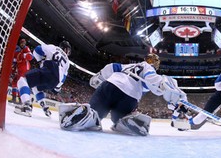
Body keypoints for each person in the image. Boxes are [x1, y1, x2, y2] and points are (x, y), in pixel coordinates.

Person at [58, 53, 187, 136]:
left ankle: (86, 115)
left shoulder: (129, 65)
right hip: (129, 96)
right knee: (118, 119)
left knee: (96, 114)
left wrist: (99, 77)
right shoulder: (148, 68)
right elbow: (152, 79)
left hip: (110, 85)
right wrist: (164, 87)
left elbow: (111, 67)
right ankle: (126, 121)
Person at [14, 41, 71, 117]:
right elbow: (62, 79)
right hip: (55, 81)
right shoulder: (67, 62)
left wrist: (40, 60)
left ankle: (26, 105)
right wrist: (56, 89)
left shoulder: (54, 47)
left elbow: (37, 50)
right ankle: (45, 108)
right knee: (36, 87)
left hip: (48, 70)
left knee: (22, 80)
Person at [9, 38, 33, 104]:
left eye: (24, 43)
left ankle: (20, 100)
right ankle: (14, 98)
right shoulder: (17, 52)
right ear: (20, 43)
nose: (23, 44)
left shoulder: (26, 49)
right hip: (19, 70)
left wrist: (24, 55)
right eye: (21, 43)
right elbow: (14, 62)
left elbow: (31, 57)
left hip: (25, 69)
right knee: (14, 82)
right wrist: (13, 70)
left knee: (20, 83)